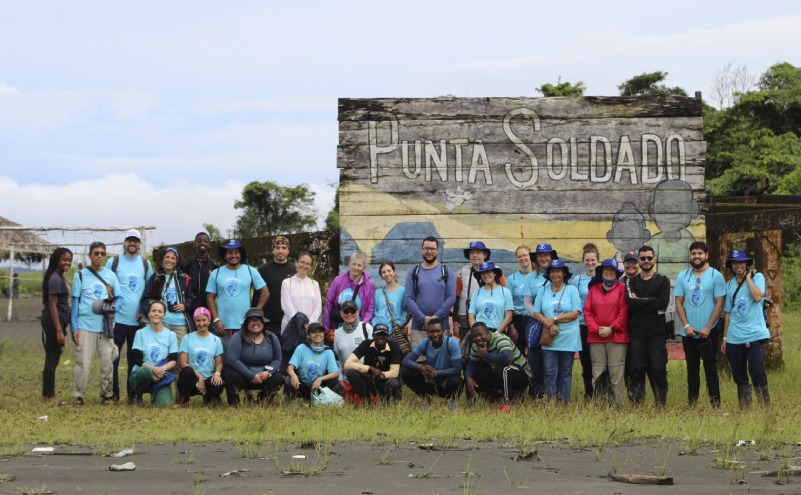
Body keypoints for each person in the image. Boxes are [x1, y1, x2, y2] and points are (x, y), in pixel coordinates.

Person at [674, 241, 725, 407]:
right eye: (693, 253)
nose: (696, 256)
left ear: (706, 255)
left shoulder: (715, 276)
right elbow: (678, 303)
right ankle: (692, 404)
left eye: (700, 253)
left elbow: (719, 302)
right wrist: (686, 326)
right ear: (690, 255)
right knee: (692, 370)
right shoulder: (683, 276)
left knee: (711, 369)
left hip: (708, 332)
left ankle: (715, 404)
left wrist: (708, 326)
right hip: (689, 332)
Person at [71, 241, 122, 405]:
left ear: (105, 255)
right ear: (90, 255)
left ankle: (106, 395)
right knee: (83, 363)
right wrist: (74, 327)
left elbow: (119, 299)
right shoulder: (80, 275)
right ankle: (79, 395)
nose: (99, 256)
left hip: (106, 326)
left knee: (107, 362)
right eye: (96, 253)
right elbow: (75, 302)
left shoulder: (111, 276)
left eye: (102, 253)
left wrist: (111, 307)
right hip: (85, 325)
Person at [106, 228, 154, 404]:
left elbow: (151, 289)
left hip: (137, 322)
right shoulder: (114, 261)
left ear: (139, 244)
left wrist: (146, 312)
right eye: (129, 240)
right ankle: (113, 395)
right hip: (116, 320)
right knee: (113, 359)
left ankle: (133, 395)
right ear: (124, 242)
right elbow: (106, 284)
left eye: (135, 241)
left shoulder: (145, 264)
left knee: (135, 360)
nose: (132, 243)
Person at [721, 250, 771, 409]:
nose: (738, 265)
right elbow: (728, 313)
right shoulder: (729, 285)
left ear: (747, 263)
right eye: (735, 263)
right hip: (734, 336)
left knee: (756, 369)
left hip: (754, 334)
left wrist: (748, 279)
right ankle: (745, 409)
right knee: (739, 374)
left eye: (741, 262)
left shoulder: (758, 277)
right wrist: (724, 338)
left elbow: (757, 297)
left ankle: (765, 408)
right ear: (731, 265)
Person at [624, 245, 671, 406]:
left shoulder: (663, 280)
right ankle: (638, 404)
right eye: (642, 258)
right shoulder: (631, 281)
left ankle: (661, 403)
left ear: (654, 259)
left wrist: (641, 301)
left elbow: (663, 302)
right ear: (638, 260)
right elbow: (631, 302)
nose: (646, 261)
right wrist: (652, 301)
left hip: (657, 331)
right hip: (637, 331)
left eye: (649, 258)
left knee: (658, 368)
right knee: (637, 368)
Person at [532, 259, 582, 402]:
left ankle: (564, 401)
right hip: (549, 337)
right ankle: (550, 401)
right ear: (549, 274)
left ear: (564, 273)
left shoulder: (572, 290)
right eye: (552, 271)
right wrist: (548, 324)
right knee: (549, 371)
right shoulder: (542, 290)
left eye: (558, 271)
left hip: (568, 338)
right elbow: (536, 312)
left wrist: (553, 320)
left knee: (565, 372)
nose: (555, 274)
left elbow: (575, 313)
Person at [207, 239, 269, 349]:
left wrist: (256, 313)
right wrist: (216, 319)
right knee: (224, 358)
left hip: (245, 325)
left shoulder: (251, 271)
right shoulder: (216, 273)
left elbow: (265, 292)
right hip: (222, 326)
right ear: (225, 255)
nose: (233, 255)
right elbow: (210, 298)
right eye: (230, 253)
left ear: (241, 254)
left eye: (236, 252)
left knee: (244, 357)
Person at [583, 259, 629, 405]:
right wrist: (596, 329)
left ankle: (618, 404)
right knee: (598, 372)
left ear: (616, 273)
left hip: (616, 336)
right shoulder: (593, 289)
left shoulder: (622, 288)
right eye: (606, 269)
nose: (609, 272)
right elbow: (587, 311)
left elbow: (624, 311)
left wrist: (612, 328)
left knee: (616, 372)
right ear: (601, 272)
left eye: (612, 270)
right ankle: (601, 405)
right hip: (596, 337)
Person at [222, 308, 284, 405]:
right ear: (246, 323)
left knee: (278, 378)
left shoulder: (271, 337)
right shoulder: (238, 337)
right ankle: (234, 402)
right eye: (251, 320)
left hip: (264, 375)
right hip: (243, 375)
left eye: (258, 320)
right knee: (229, 374)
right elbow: (232, 360)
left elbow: (277, 359)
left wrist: (268, 372)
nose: (255, 323)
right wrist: (251, 376)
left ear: (263, 323)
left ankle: (263, 399)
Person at [404, 236, 456, 347]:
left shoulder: (447, 271)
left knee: (441, 361)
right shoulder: (413, 272)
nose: (429, 251)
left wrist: (435, 318)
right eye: (426, 248)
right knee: (418, 362)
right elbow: (409, 298)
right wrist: (423, 319)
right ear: (422, 249)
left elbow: (451, 297)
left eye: (432, 249)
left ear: (438, 250)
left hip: (441, 328)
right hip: (418, 329)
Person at [464, 322, 530, 403]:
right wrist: (469, 378)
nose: (478, 338)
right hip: (501, 374)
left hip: (521, 374)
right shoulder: (476, 345)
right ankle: (492, 399)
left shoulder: (500, 339)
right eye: (475, 336)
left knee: (504, 369)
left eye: (481, 334)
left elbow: (508, 358)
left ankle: (507, 402)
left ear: (488, 333)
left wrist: (486, 355)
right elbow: (472, 364)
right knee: (473, 374)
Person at [129, 300, 178, 407]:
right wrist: (154, 370)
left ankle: (156, 395)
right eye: (154, 311)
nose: (156, 314)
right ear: (148, 314)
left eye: (160, 311)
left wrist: (161, 370)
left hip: (161, 375)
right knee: (146, 371)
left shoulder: (171, 335)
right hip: (142, 373)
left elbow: (174, 360)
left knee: (165, 405)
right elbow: (137, 360)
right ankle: (137, 396)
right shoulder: (140, 333)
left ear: (164, 315)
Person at [401, 318, 463, 401]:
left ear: (443, 331)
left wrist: (437, 373)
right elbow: (406, 360)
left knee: (457, 381)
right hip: (431, 379)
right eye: (431, 331)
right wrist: (420, 367)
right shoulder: (425, 343)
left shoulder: (451, 343)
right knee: (405, 371)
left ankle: (451, 401)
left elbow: (457, 369)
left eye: (438, 331)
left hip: (447, 379)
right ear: (427, 332)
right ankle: (425, 399)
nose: (435, 334)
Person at [142, 247, 193, 347]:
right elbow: (145, 298)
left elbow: (191, 298)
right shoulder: (156, 277)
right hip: (162, 322)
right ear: (162, 259)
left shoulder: (184, 277)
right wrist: (151, 314)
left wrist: (185, 305)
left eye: (173, 258)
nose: (169, 260)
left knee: (180, 355)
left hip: (180, 323)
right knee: (161, 352)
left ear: (176, 261)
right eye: (167, 257)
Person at [526, 242, 558, 398]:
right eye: (540, 255)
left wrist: (550, 320)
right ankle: (537, 394)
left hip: (555, 323)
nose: (543, 258)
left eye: (546, 255)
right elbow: (527, 303)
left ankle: (554, 394)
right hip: (536, 323)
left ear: (551, 257)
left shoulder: (559, 275)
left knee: (552, 362)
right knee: (535, 360)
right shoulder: (531, 277)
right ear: (536, 258)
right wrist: (541, 318)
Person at [456, 241, 506, 340]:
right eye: (472, 253)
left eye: (478, 252)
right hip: (465, 317)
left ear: (485, 255)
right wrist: (455, 322)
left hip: (492, 317)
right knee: (468, 349)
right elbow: (457, 296)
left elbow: (504, 296)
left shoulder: (496, 271)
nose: (474, 255)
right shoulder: (462, 272)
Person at [41, 247, 73, 403]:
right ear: (56, 260)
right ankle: (48, 395)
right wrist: (59, 331)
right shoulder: (55, 278)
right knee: (52, 358)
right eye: (64, 260)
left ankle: (48, 393)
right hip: (54, 321)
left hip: (56, 320)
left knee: (53, 357)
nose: (67, 263)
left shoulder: (59, 277)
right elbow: (52, 305)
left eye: (69, 260)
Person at [177, 308, 224, 406]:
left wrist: (217, 373)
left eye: (204, 320)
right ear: (194, 321)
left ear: (209, 320)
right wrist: (199, 376)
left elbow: (219, 363)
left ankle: (209, 398)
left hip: (208, 378)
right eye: (198, 320)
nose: (201, 323)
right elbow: (182, 363)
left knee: (218, 384)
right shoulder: (187, 338)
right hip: (193, 378)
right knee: (186, 371)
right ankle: (184, 400)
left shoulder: (216, 340)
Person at [343, 323, 402, 402]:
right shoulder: (366, 344)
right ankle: (367, 401)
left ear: (387, 336)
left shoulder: (394, 346)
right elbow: (348, 364)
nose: (381, 337)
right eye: (378, 335)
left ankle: (387, 403)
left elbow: (394, 373)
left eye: (384, 335)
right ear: (373, 335)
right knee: (351, 373)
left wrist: (378, 375)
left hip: (385, 381)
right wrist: (369, 368)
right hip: (369, 381)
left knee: (393, 383)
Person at [570, 242, 599, 399]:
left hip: (599, 325)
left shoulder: (601, 279)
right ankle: (589, 394)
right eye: (587, 260)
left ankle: (601, 392)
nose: (590, 263)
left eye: (593, 260)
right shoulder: (577, 281)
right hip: (582, 325)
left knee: (599, 362)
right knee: (586, 361)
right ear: (583, 261)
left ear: (597, 260)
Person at [323, 251, 376, 337]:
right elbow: (329, 303)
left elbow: (371, 308)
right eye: (354, 264)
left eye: (359, 265)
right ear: (349, 264)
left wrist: (362, 326)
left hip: (359, 325)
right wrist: (326, 329)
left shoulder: (369, 285)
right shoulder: (338, 281)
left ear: (364, 268)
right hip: (340, 325)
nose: (356, 267)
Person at [286, 322, 342, 399]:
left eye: (320, 332)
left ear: (323, 334)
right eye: (314, 332)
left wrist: (320, 379)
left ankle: (326, 400)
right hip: (301, 385)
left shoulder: (328, 351)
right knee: (288, 379)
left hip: (318, 386)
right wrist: (293, 375)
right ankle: (292, 400)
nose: (317, 334)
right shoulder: (301, 348)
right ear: (308, 335)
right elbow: (290, 367)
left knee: (335, 382)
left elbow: (335, 373)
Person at [255, 236, 296, 333]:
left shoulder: (294, 269)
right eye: (277, 248)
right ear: (272, 250)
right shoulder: (263, 270)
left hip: (290, 319)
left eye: (284, 248)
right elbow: (257, 296)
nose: (280, 251)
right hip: (269, 320)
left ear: (288, 251)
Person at [280, 250, 322, 331]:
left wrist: (310, 322)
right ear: (296, 263)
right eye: (302, 262)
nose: (304, 265)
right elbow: (286, 306)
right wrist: (299, 322)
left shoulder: (314, 284)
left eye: (308, 264)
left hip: (310, 327)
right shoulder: (287, 282)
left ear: (310, 267)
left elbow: (318, 307)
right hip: (290, 326)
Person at [180, 232, 219, 317]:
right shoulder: (186, 264)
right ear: (195, 244)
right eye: (200, 241)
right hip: (190, 308)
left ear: (209, 244)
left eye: (205, 241)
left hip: (209, 308)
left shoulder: (215, 265)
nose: (202, 243)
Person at [468, 262, 513, 335]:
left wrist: (496, 334)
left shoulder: (505, 292)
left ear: (495, 273)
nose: (485, 275)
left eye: (488, 272)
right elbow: (471, 315)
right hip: (479, 334)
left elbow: (509, 316)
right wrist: (477, 332)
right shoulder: (477, 293)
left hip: (499, 333)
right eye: (482, 273)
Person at [332, 300, 374, 381]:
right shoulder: (337, 333)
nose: (349, 314)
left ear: (358, 312)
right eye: (346, 311)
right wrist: (340, 379)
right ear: (341, 313)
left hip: (366, 378)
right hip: (346, 380)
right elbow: (338, 360)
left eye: (353, 311)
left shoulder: (367, 328)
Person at [506, 245, 535, 354]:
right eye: (519, 256)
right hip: (517, 321)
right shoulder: (512, 279)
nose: (523, 258)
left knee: (534, 355)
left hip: (534, 319)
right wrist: (511, 326)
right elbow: (508, 305)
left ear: (530, 256)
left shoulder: (539, 277)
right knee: (517, 356)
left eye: (525, 255)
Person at [372, 261, 409, 337]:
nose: (386, 274)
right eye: (383, 272)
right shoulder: (377, 292)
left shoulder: (403, 291)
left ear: (394, 272)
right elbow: (374, 311)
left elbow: (410, 311)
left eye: (389, 270)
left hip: (394, 331)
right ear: (381, 276)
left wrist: (405, 325)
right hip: (378, 329)